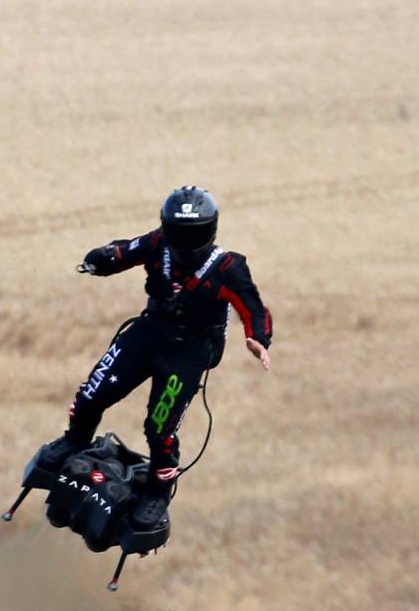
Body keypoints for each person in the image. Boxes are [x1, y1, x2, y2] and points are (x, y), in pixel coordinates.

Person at [35, 185, 274, 528]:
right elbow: (124, 252)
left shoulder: (229, 267)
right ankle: (74, 439)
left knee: (160, 428)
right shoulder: (157, 243)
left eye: (193, 233)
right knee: (91, 394)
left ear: (210, 230)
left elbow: (254, 307)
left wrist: (258, 338)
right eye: (177, 231)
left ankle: (158, 493)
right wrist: (99, 260)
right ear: (166, 226)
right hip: (149, 332)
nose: (183, 241)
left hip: (190, 351)